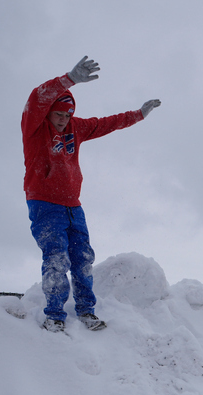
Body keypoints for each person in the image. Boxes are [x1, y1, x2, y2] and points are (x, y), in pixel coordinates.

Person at [22, 56, 161, 332]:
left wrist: (139, 115)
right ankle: (54, 314)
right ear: (48, 112)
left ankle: (86, 310)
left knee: (83, 257)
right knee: (56, 257)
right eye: (58, 114)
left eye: (67, 115)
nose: (63, 120)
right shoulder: (35, 128)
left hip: (74, 206)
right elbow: (37, 97)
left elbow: (107, 123)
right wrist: (69, 79)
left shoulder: (75, 128)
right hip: (45, 204)